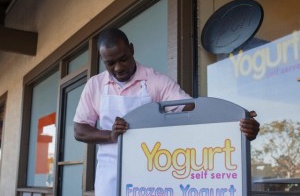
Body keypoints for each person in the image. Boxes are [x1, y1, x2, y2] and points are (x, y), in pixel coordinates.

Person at [73, 28, 260, 196]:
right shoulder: (95, 85)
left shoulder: (156, 81)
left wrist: (235, 120)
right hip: (110, 175)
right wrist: (112, 136)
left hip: (152, 173)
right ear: (102, 60)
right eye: (110, 63)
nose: (118, 68)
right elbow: (79, 130)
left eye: (123, 59)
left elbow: (191, 110)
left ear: (131, 49)